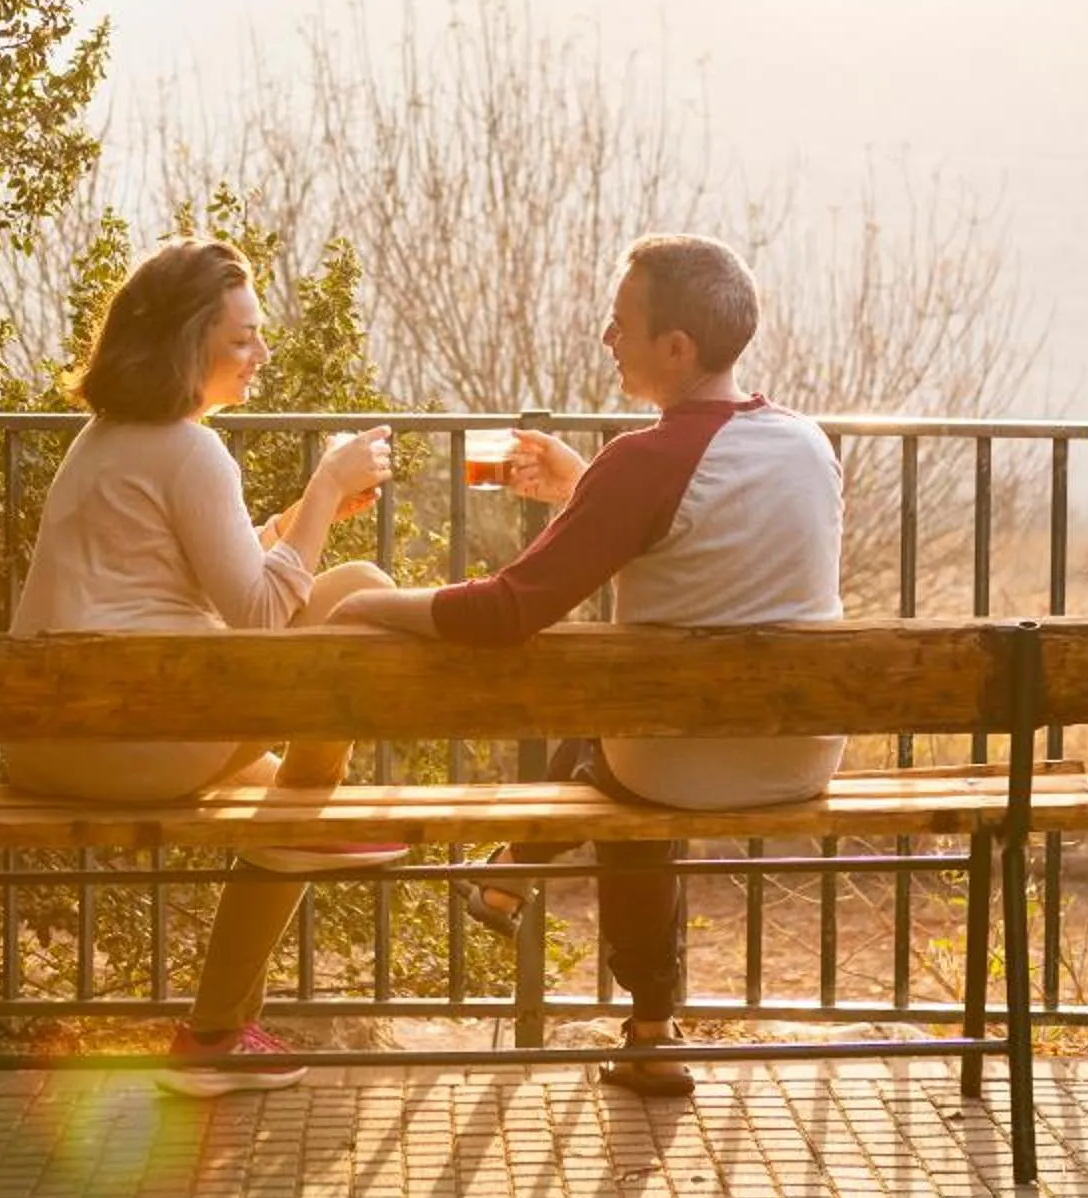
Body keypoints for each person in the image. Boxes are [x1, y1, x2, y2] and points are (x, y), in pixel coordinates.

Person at [330, 234, 844, 1095]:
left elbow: (506, 612)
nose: (608, 339)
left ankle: (553, 917)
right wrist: (587, 488)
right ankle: (638, 1018)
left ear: (675, 349)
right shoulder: (809, 443)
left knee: (624, 771)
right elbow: (716, 542)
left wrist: (365, 602)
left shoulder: (643, 463)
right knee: (622, 744)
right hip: (801, 756)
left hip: (678, 763)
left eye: (621, 327)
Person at [4, 235, 401, 1098]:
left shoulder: (106, 439)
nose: (261, 354)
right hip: (131, 745)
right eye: (242, 339)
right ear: (190, 345)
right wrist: (326, 495)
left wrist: (295, 516)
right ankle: (311, 812)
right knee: (363, 588)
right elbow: (258, 616)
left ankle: (215, 1033)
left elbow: (218, 580)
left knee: (279, 813)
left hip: (53, 740)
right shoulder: (190, 450)